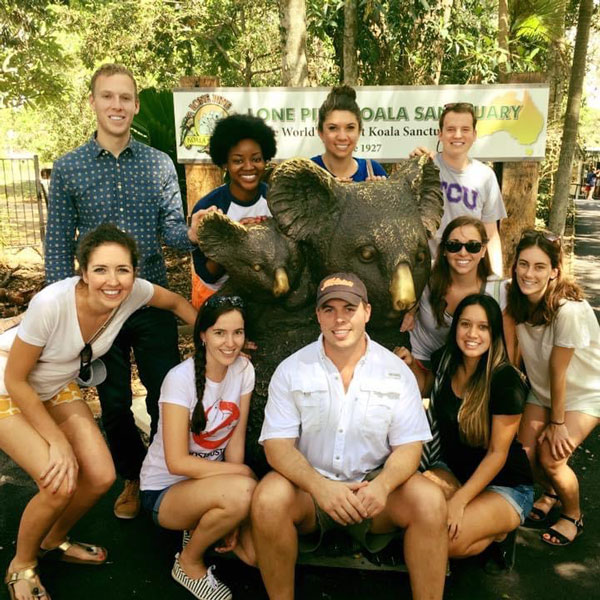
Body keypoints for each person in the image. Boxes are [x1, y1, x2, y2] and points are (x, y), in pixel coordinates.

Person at [0, 224, 197, 600]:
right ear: (83, 271)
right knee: (58, 482)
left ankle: (55, 538)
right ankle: (22, 563)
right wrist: (56, 442)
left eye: (123, 269)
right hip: (8, 386)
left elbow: (173, 302)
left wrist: (213, 336)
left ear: (134, 272)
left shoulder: (133, 292)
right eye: (101, 270)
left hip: (56, 386)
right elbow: (17, 378)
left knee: (102, 476)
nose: (113, 280)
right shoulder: (51, 303)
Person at [44, 63, 203, 519]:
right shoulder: (71, 168)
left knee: (164, 393)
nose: (117, 106)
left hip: (149, 298)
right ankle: (133, 477)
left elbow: (172, 233)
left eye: (125, 98)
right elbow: (58, 246)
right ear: (93, 102)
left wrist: (193, 232)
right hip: (94, 308)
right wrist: (64, 317)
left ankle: (163, 471)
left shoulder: (159, 164)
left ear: (135, 105)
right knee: (112, 403)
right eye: (108, 96)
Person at [252, 272, 447, 600]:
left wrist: (383, 486)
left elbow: (409, 447)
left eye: (349, 308)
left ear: (367, 312)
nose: (339, 318)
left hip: (372, 491)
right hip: (311, 490)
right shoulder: (292, 369)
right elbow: (277, 446)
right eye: (329, 309)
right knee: (267, 499)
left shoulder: (396, 372)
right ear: (317, 315)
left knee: (430, 501)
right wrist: (320, 487)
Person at [397, 294, 533, 569]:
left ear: (493, 333)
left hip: (505, 484)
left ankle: (496, 529)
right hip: (454, 470)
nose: (472, 334)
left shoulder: (506, 382)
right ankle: (486, 525)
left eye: (483, 327)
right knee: (412, 514)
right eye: (465, 324)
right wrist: (410, 365)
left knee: (444, 542)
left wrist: (459, 501)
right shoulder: (446, 360)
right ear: (455, 327)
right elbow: (428, 387)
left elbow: (497, 454)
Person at [140, 295, 256, 600]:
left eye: (238, 333)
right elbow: (177, 462)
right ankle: (189, 563)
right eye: (219, 332)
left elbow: (236, 438)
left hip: (208, 482)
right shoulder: (179, 380)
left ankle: (208, 518)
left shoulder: (243, 369)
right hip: (163, 490)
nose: (230, 342)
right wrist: (241, 477)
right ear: (202, 334)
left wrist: (237, 504)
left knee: (254, 555)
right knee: (244, 491)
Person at [507, 229, 599, 546]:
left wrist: (557, 423)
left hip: (584, 394)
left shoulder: (568, 311)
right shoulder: (515, 299)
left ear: (554, 271)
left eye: (539, 266)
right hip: (544, 390)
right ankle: (549, 493)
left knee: (551, 457)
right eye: (523, 264)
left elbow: (558, 371)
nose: (528, 273)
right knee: (523, 452)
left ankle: (573, 515)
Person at [190, 114, 277, 307]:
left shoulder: (275, 201)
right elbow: (207, 275)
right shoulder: (208, 208)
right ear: (224, 164)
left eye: (256, 159)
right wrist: (233, 239)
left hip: (266, 295)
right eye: (238, 161)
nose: (249, 167)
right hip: (219, 299)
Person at [411, 102, 506, 275]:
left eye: (465, 129)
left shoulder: (485, 176)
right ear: (440, 134)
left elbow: (491, 234)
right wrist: (412, 167)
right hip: (427, 271)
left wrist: (497, 280)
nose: (457, 135)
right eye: (451, 129)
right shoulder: (424, 169)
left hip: (469, 271)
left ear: (475, 134)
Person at [404, 216, 506, 369]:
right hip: (418, 359)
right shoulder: (425, 272)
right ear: (444, 250)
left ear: (483, 251)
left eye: (472, 246)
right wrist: (410, 310)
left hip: (467, 368)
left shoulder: (499, 290)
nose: (463, 253)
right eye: (454, 246)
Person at [311, 85, 387, 182]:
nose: (342, 137)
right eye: (333, 128)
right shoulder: (308, 173)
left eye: (350, 128)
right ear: (321, 133)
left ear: (359, 131)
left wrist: (377, 193)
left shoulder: (374, 170)